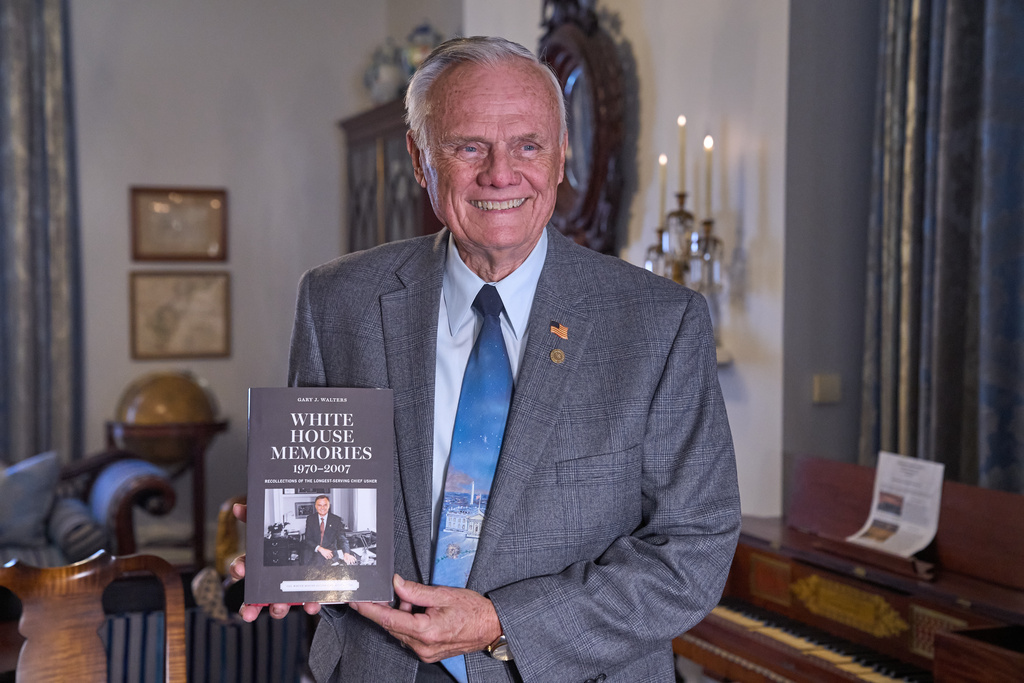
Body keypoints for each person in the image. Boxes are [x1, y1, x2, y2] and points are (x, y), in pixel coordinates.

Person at [232, 36, 740, 683]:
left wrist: (502, 621)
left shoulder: (660, 323)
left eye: (528, 145)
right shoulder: (338, 301)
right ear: (421, 160)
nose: (501, 173)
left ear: (560, 157)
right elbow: (321, 507)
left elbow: (693, 552)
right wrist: (285, 546)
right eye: (469, 146)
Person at [304, 494, 357, 566]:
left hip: (330, 555)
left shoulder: (336, 520)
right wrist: (320, 549)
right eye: (319, 505)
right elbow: (308, 539)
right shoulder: (310, 519)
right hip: (313, 553)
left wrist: (346, 553)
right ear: (316, 506)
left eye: (325, 505)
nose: (322, 508)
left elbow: (342, 539)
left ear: (329, 506)